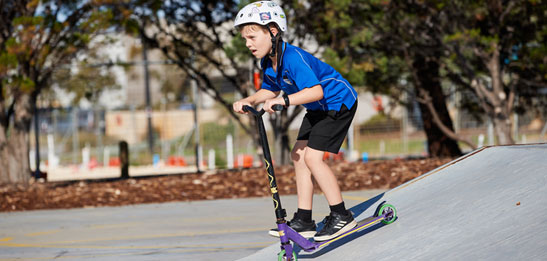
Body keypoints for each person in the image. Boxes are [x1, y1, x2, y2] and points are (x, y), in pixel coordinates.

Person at [232, 1, 358, 242]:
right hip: (317, 108)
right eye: (244, 39)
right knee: (298, 155)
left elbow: (316, 91)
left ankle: (342, 216)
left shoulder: (293, 58)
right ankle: (304, 220)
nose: (248, 43)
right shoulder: (268, 62)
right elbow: (269, 90)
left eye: (252, 36)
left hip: (338, 103)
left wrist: (285, 100)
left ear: (272, 31)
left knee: (312, 157)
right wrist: (249, 99)